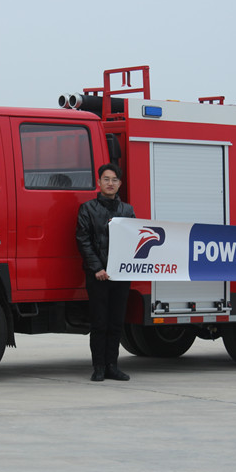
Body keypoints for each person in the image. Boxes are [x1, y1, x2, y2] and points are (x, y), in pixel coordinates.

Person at [76, 163, 135, 382]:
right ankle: (98, 367)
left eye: (115, 180)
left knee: (116, 322)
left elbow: (133, 242)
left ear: (120, 184)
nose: (110, 183)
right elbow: (83, 241)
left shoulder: (127, 211)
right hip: (98, 276)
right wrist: (97, 268)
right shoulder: (87, 209)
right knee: (99, 322)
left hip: (121, 276)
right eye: (106, 179)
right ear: (99, 182)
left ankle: (113, 366)